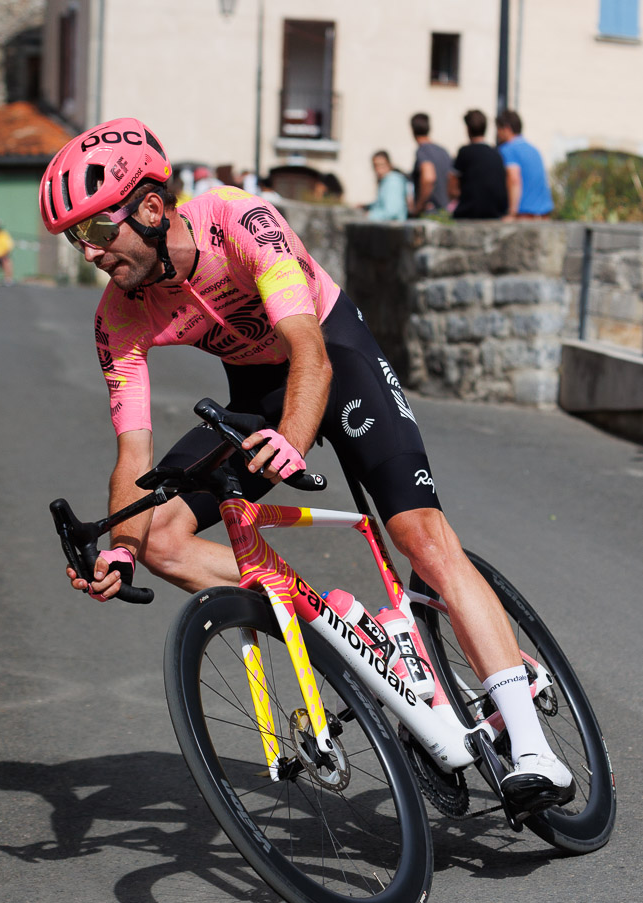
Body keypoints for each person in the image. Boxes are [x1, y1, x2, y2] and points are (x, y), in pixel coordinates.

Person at [39, 117, 574, 811]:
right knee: (160, 536)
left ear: (147, 207)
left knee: (419, 534)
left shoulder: (239, 218)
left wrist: (293, 437)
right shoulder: (118, 317)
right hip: (257, 396)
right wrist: (121, 550)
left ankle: (533, 750)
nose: (89, 254)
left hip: (334, 358)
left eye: (95, 232)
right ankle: (342, 625)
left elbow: (309, 352)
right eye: (75, 239)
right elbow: (132, 453)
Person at [448, 110, 508, 220]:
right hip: (496, 212)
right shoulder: (496, 152)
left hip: (470, 211)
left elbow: (453, 187)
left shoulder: (464, 152)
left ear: (467, 129)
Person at [496, 110, 553, 219]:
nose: (498, 134)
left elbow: (514, 180)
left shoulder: (508, 149)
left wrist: (512, 213)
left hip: (524, 214)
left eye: (498, 129)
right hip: (544, 214)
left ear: (507, 129)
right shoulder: (533, 149)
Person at [409, 113, 452, 216]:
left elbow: (428, 178)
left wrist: (418, 207)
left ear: (412, 130)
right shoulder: (443, 151)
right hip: (445, 212)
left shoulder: (423, 150)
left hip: (431, 213)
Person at [364, 151, 408, 221]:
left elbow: (392, 211)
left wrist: (369, 215)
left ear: (389, 164)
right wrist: (366, 207)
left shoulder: (393, 181)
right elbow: (382, 204)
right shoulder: (386, 180)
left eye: (381, 165)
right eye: (375, 165)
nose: (378, 169)